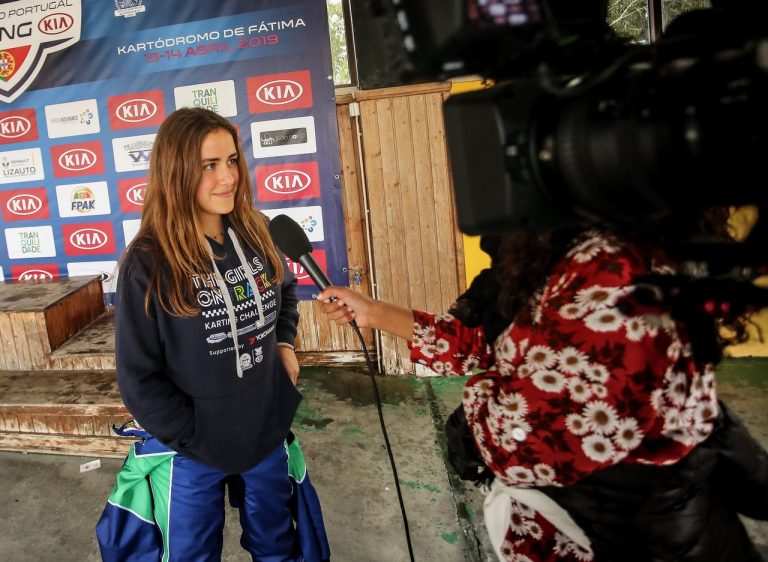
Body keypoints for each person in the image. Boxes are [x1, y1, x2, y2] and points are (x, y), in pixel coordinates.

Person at [317, 221, 768, 561]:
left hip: (625, 539)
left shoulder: (612, 267)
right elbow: (480, 344)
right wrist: (374, 313)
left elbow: (520, 441)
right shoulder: (552, 253)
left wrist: (481, 403)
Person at [96, 107, 330, 561]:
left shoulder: (257, 229)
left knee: (278, 548)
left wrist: (284, 344)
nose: (228, 178)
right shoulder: (148, 262)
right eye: (209, 165)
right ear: (176, 172)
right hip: (191, 451)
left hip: (265, 431)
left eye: (232, 161)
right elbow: (138, 378)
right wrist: (194, 437)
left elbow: (285, 289)